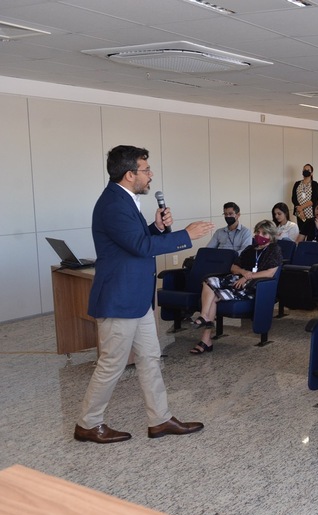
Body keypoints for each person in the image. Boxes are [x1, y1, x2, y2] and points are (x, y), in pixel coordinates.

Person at [74, 145, 214, 444]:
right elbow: (140, 247)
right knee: (112, 364)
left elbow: (135, 240)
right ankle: (88, 423)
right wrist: (186, 235)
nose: (151, 175)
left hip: (136, 299)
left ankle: (160, 420)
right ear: (129, 174)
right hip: (120, 299)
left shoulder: (124, 199)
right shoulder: (113, 204)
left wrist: (157, 228)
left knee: (150, 358)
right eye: (146, 169)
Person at [189, 220, 282, 354]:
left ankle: (206, 340)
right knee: (208, 281)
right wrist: (243, 272)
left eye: (264, 233)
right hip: (236, 281)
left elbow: (269, 273)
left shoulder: (274, 250)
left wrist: (248, 277)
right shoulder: (250, 249)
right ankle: (204, 317)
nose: (259, 235)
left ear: (271, 236)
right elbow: (233, 267)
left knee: (214, 297)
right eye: (258, 232)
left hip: (252, 286)